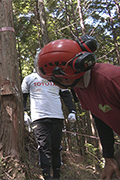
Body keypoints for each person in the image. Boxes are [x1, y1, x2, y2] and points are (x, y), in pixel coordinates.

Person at [36, 34, 120, 179]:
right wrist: (108, 156)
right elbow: (100, 117)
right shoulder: (80, 87)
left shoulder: (111, 79)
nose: (53, 84)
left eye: (52, 80)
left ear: (65, 76)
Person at [21, 66, 76, 179]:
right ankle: (47, 176)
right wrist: (24, 113)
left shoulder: (57, 78)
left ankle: (56, 176)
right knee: (44, 147)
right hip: (39, 118)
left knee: (56, 147)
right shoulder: (29, 78)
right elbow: (23, 96)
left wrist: (72, 111)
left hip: (57, 116)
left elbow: (66, 94)